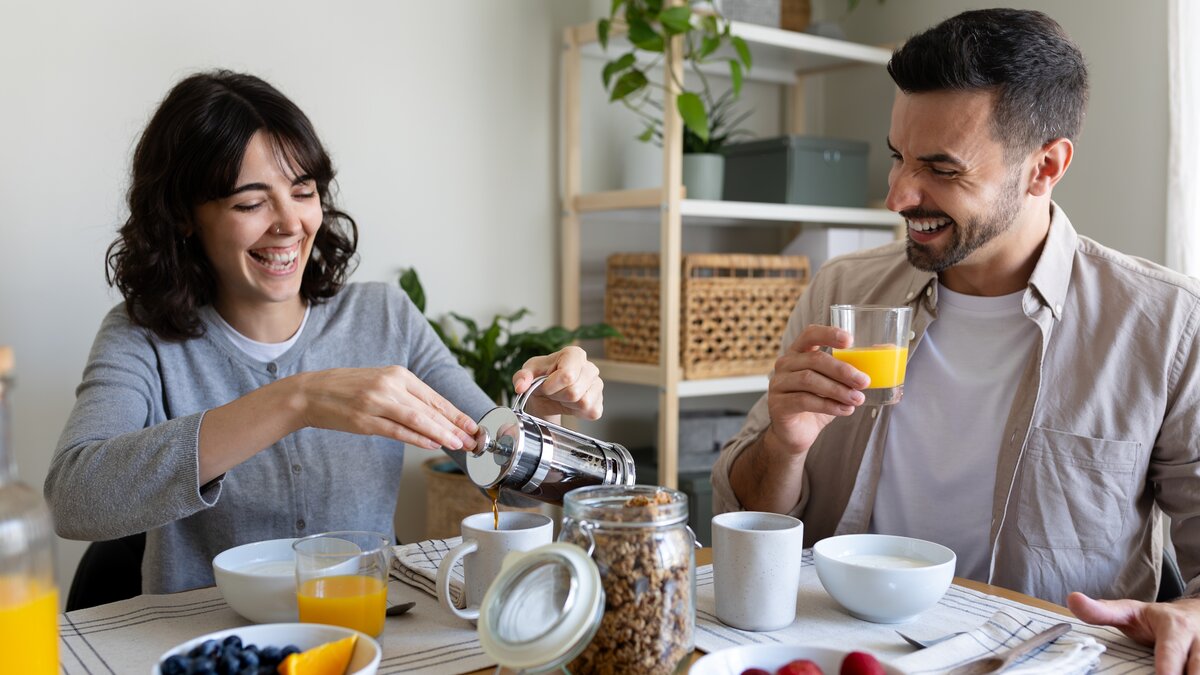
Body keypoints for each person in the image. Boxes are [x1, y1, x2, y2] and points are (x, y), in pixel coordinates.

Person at [710, 8, 1200, 671]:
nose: (897, 195)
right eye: (897, 158)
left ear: (1045, 167)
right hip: (833, 651)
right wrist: (784, 443)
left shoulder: (1165, 325)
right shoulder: (843, 290)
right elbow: (749, 515)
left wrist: (1189, 615)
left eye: (941, 168)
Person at [44, 70, 604, 595]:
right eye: (250, 202)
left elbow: (501, 477)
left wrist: (545, 415)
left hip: (365, 635)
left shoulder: (384, 317)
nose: (290, 224)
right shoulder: (141, 337)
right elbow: (74, 498)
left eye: (304, 191)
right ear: (184, 216)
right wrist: (297, 400)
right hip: (209, 645)